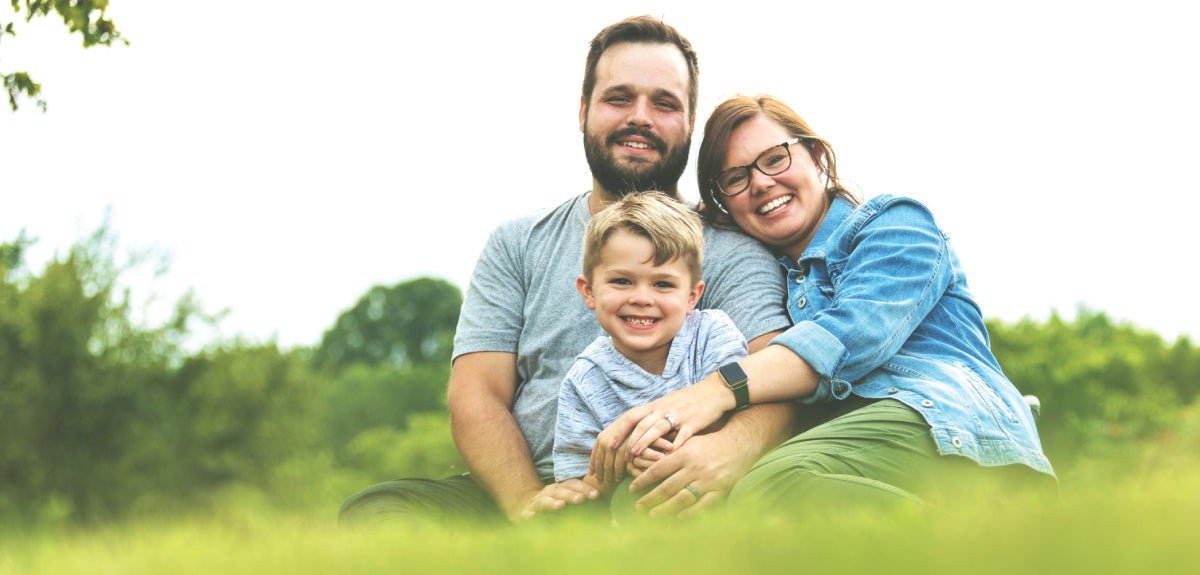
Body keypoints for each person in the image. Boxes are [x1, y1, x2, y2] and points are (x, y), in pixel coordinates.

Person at [336, 17, 792, 527]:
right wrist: (528, 504)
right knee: (379, 512)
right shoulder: (518, 243)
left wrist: (729, 451)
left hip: (664, 488)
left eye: (664, 103)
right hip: (523, 486)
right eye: (619, 98)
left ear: (689, 124)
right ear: (583, 111)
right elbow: (476, 393)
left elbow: (779, 378)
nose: (640, 117)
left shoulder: (732, 251)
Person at [605, 94, 1056, 515]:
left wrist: (712, 392)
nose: (761, 183)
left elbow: (849, 336)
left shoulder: (894, 223)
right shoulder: (760, 278)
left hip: (942, 421)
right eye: (736, 178)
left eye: (775, 158)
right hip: (836, 442)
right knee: (657, 498)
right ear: (726, 205)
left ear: (816, 157)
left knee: (776, 482)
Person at [552, 192, 749, 502]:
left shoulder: (713, 335)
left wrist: (660, 445)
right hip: (638, 500)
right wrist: (625, 461)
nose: (642, 298)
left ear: (692, 297)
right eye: (622, 281)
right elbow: (582, 483)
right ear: (589, 292)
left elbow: (741, 415)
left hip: (723, 482)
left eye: (662, 284)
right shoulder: (584, 380)